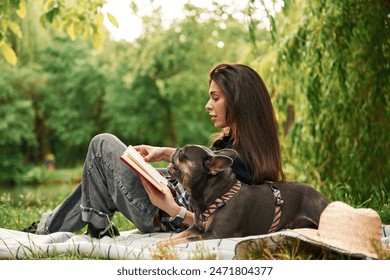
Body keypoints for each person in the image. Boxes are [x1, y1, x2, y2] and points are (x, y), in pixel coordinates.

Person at [23, 63, 284, 238]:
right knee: (104, 167)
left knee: (102, 146)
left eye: (215, 98)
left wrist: (172, 209)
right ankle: (72, 224)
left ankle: (79, 226)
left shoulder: (237, 161)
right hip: (168, 192)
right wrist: (161, 152)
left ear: (238, 101)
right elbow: (202, 166)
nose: (207, 105)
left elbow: (220, 222)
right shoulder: (242, 147)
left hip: (161, 212)